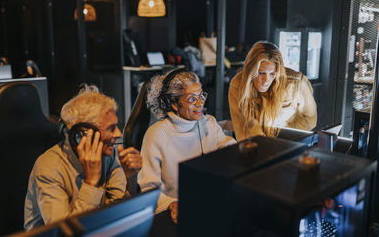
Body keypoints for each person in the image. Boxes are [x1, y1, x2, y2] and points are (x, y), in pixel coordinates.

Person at [24, 84, 142, 230]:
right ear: (83, 135)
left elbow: (117, 214)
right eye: (111, 128)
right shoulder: (48, 169)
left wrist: (130, 178)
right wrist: (91, 182)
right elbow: (65, 233)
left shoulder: (108, 155)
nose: (119, 134)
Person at [138, 69, 236, 224]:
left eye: (201, 96)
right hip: (176, 211)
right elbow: (148, 188)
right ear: (173, 104)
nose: (199, 104)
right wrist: (171, 204)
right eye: (191, 99)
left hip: (209, 206)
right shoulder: (157, 135)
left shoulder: (209, 124)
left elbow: (230, 151)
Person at [228, 41, 317, 141]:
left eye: (272, 74)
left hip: (290, 144)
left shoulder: (295, 84)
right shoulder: (238, 85)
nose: (266, 80)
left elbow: (310, 118)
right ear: (250, 70)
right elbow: (243, 130)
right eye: (261, 73)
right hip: (259, 147)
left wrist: (291, 139)